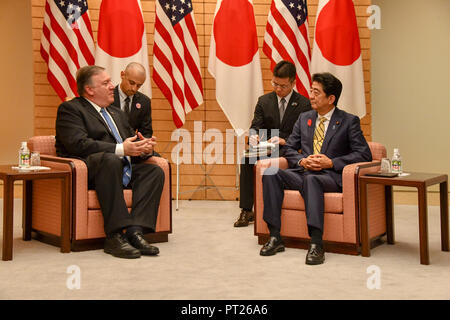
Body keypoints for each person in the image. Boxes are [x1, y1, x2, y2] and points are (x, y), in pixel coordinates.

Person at [260, 72, 372, 265]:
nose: (311, 96)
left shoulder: (348, 121)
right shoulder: (305, 118)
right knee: (271, 172)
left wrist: (331, 162)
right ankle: (275, 236)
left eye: (316, 92)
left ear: (331, 98)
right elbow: (289, 148)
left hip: (330, 176)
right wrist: (302, 161)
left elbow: (363, 154)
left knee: (312, 180)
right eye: (311, 91)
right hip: (304, 171)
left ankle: (316, 243)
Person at [55, 65, 165, 259]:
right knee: (111, 160)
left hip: (120, 168)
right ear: (89, 90)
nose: (112, 86)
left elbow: (130, 141)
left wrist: (144, 148)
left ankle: (135, 232)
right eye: (105, 83)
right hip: (93, 171)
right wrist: (121, 150)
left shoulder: (116, 113)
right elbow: (78, 144)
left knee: (154, 172)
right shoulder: (71, 109)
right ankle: (114, 236)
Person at [234, 60, 311, 227]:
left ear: (293, 83)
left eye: (282, 86)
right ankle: (247, 210)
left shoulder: (305, 104)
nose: (277, 89)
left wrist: (285, 140)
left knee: (274, 164)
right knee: (247, 160)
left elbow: (306, 136)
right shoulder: (264, 101)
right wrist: (254, 137)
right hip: (265, 148)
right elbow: (255, 126)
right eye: (275, 83)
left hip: (289, 149)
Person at [113, 62, 153, 138]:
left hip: (133, 146)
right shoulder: (108, 96)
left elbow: (146, 132)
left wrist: (143, 142)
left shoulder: (144, 102)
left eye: (138, 85)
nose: (134, 89)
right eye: (131, 83)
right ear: (122, 75)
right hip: (110, 146)